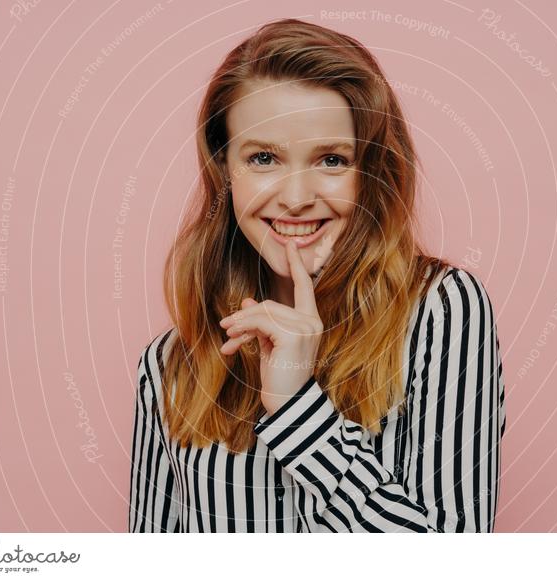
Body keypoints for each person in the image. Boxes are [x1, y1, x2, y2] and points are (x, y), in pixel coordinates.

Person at [128, 17, 506, 533]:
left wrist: (297, 408)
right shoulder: (172, 363)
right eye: (263, 158)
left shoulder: (442, 312)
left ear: (369, 173)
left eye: (331, 159)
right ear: (224, 171)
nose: (298, 196)